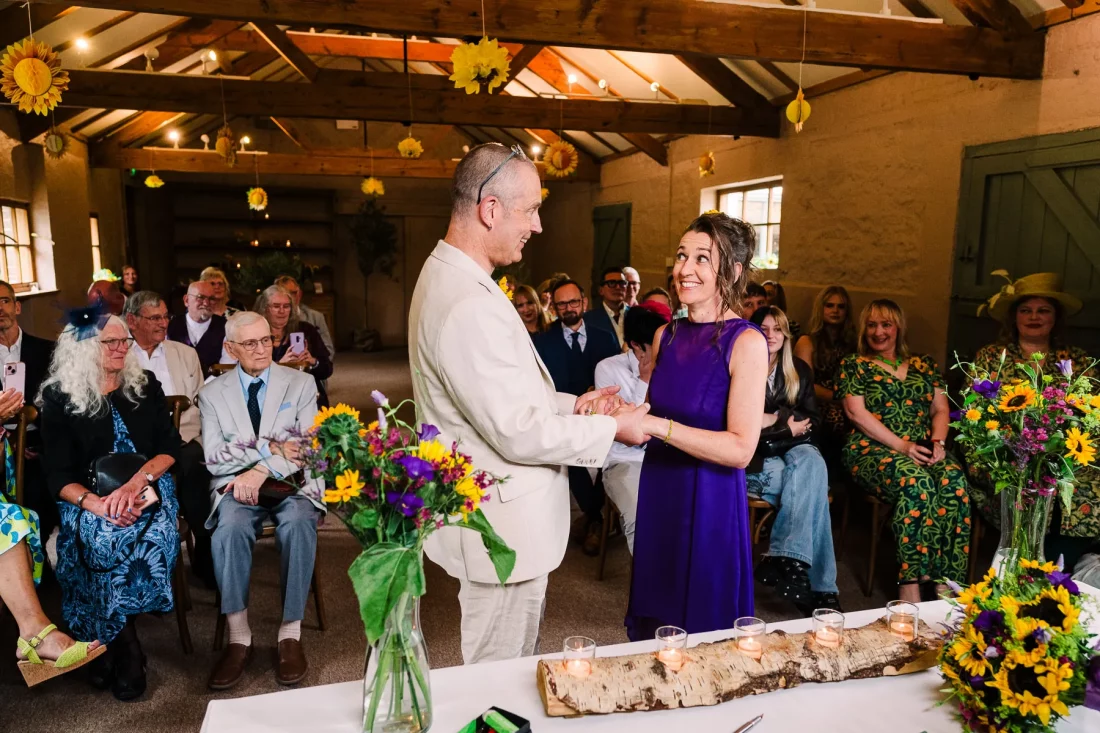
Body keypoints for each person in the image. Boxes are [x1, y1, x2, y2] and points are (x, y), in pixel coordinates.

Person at [408, 143, 649, 664]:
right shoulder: (468, 301)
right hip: (501, 524)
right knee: (497, 678)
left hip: (489, 509)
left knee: (511, 667)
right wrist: (612, 432)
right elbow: (516, 430)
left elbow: (503, 393)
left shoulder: (454, 274)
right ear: (490, 209)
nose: (537, 225)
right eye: (531, 209)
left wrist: (577, 404)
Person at [624, 212, 769, 641]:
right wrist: (616, 408)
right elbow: (653, 411)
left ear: (734, 271)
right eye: (682, 255)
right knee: (659, 626)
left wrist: (658, 425)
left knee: (706, 631)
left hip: (710, 497)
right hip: (661, 488)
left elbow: (742, 448)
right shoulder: (665, 335)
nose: (684, 269)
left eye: (703, 258)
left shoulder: (746, 342)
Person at [39, 312, 182, 701]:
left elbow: (170, 448)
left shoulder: (143, 385)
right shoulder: (60, 397)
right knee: (100, 536)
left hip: (149, 487)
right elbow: (55, 473)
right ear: (84, 348)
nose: (122, 348)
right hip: (87, 496)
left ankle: (106, 645)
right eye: (111, 343)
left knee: (146, 533)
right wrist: (97, 505)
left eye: (126, 342)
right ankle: (126, 646)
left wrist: (137, 484)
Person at [200, 311, 323, 690]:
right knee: (230, 529)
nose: (261, 349)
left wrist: (262, 469)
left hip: (292, 484)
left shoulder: (301, 383)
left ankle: (290, 634)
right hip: (236, 486)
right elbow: (214, 454)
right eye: (250, 343)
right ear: (230, 348)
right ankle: (239, 638)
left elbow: (305, 447)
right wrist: (268, 449)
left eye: (266, 340)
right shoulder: (211, 393)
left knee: (299, 523)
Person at [836, 299, 969, 603]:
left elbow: (940, 409)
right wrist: (902, 446)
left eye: (886, 324)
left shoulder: (924, 364)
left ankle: (945, 581)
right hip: (872, 449)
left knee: (954, 482)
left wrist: (937, 443)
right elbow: (856, 414)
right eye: (871, 325)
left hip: (924, 446)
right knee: (917, 484)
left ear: (899, 328)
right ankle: (909, 582)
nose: (878, 332)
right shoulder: (854, 365)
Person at [971, 272, 1096, 568]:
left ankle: (1056, 567)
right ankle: (1021, 563)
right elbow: (974, 411)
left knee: (1078, 483)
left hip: (1063, 452)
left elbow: (1090, 414)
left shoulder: (1075, 360)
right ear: (1014, 318)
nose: (1034, 317)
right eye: (1025, 310)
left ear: (1056, 318)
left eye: (1043, 311)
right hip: (1003, 449)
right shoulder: (991, 356)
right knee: (1024, 479)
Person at [746, 306, 839, 615]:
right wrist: (786, 423)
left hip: (793, 447)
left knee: (812, 464)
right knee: (814, 495)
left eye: (777, 329)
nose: (770, 334)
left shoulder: (798, 369)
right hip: (757, 454)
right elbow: (742, 423)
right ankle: (822, 588)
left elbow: (812, 421)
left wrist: (774, 423)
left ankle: (785, 561)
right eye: (764, 328)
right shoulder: (742, 365)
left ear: (786, 334)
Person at [124, 291, 214, 585]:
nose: (163, 323)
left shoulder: (184, 353)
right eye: (155, 318)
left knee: (194, 462)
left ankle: (205, 543)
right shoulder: (119, 355)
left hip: (183, 437)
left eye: (166, 316)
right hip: (137, 445)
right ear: (132, 321)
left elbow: (200, 403)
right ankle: (150, 555)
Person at [535, 279, 622, 554]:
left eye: (573, 302)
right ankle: (595, 519)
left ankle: (591, 518)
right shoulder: (543, 341)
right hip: (562, 415)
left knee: (605, 463)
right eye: (562, 303)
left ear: (584, 302)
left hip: (599, 416)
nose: (568, 308)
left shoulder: (604, 337)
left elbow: (615, 378)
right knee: (571, 462)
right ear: (555, 306)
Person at [593, 302, 669, 553]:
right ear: (636, 345)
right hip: (623, 460)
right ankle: (650, 587)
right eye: (655, 346)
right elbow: (629, 432)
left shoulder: (667, 364)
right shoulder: (608, 369)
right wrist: (645, 381)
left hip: (665, 456)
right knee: (641, 517)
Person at [0, 280, 56, 538]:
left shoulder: (48, 351)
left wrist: (40, 441)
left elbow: (61, 402)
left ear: (17, 307)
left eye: (5, 301)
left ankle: (39, 563)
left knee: (41, 493)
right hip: (0, 445)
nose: (0, 309)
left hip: (39, 443)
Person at [794, 285, 858, 456]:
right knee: (837, 419)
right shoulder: (807, 341)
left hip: (851, 399)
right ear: (820, 308)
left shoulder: (854, 342)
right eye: (829, 305)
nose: (835, 310)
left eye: (841, 306)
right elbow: (806, 386)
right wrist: (840, 399)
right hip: (818, 402)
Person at [254, 285, 332, 407]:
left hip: (307, 397)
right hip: (269, 400)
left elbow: (327, 370)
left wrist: (312, 362)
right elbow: (250, 376)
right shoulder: (254, 334)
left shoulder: (307, 330)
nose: (282, 311)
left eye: (286, 306)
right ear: (265, 309)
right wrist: (280, 366)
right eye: (276, 306)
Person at [167, 280, 229, 376]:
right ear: (186, 300)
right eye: (200, 297)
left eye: (211, 298)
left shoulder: (226, 328)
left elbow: (227, 366)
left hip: (214, 386)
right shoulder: (169, 327)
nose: (206, 303)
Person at [274, 275, 335, 362]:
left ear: (299, 294)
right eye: (285, 294)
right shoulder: (269, 320)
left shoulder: (316, 317)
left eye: (293, 293)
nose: (290, 298)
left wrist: (311, 362)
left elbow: (329, 352)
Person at [585, 266, 628, 348]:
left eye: (622, 283)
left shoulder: (636, 316)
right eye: (611, 283)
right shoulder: (589, 320)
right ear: (601, 290)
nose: (618, 287)